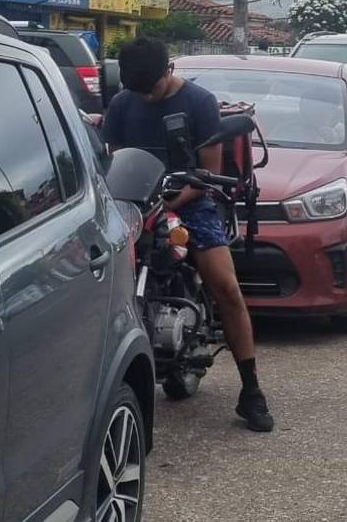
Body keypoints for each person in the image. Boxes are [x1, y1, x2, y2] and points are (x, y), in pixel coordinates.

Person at [102, 37, 275, 432]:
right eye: (138, 90)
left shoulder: (199, 103)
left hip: (190, 201)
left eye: (153, 88)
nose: (146, 97)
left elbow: (207, 173)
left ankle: (251, 391)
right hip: (134, 207)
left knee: (226, 287)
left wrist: (176, 200)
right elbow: (114, 161)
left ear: (170, 71)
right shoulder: (122, 104)